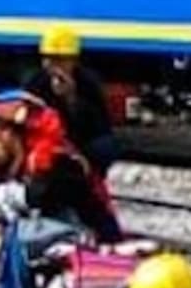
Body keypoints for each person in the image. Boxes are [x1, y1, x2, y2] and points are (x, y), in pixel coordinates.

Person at [0, 90, 121, 244]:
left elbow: (38, 197)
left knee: (16, 235)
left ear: (23, 132)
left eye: (2, 128)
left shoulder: (60, 161)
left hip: (85, 244)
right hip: (39, 249)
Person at [25, 26, 120, 177]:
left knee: (105, 146)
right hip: (46, 140)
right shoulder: (37, 82)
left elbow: (99, 125)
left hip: (80, 140)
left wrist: (71, 99)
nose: (54, 67)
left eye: (60, 60)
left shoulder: (88, 83)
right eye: (49, 60)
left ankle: (90, 179)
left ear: (73, 61)